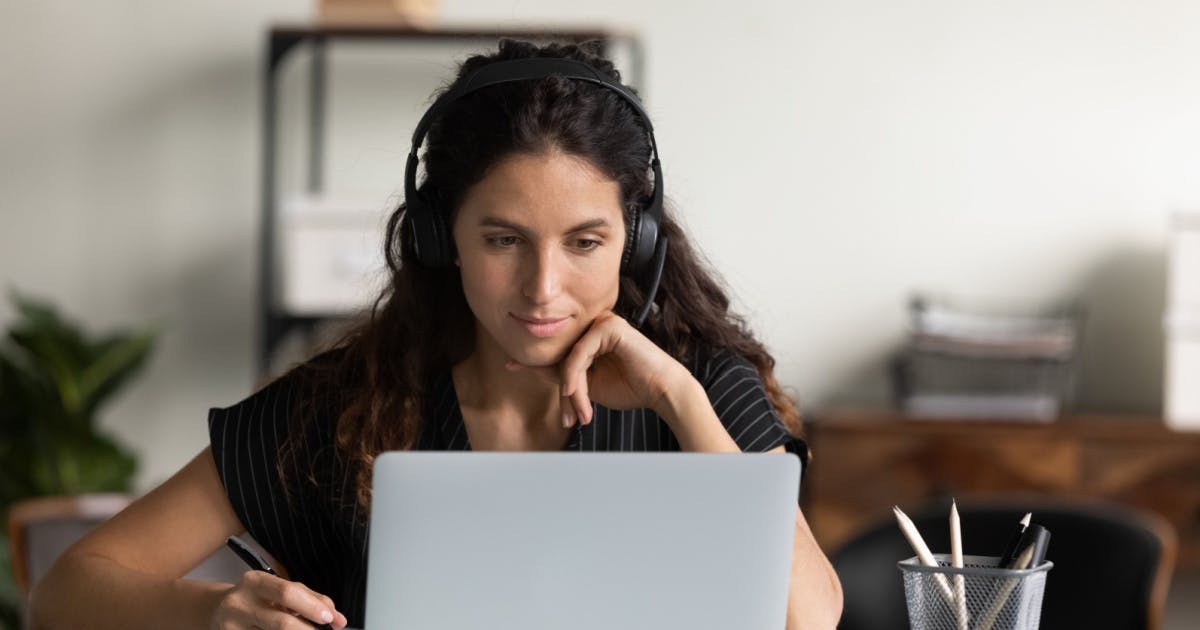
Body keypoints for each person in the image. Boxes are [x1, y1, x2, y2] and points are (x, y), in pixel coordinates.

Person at [29, 39, 843, 629]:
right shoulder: (343, 406)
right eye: (503, 240)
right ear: (438, 236)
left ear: (637, 243)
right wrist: (209, 612)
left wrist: (675, 397)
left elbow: (808, 620)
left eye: (585, 243)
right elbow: (64, 591)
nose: (544, 289)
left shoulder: (697, 385)